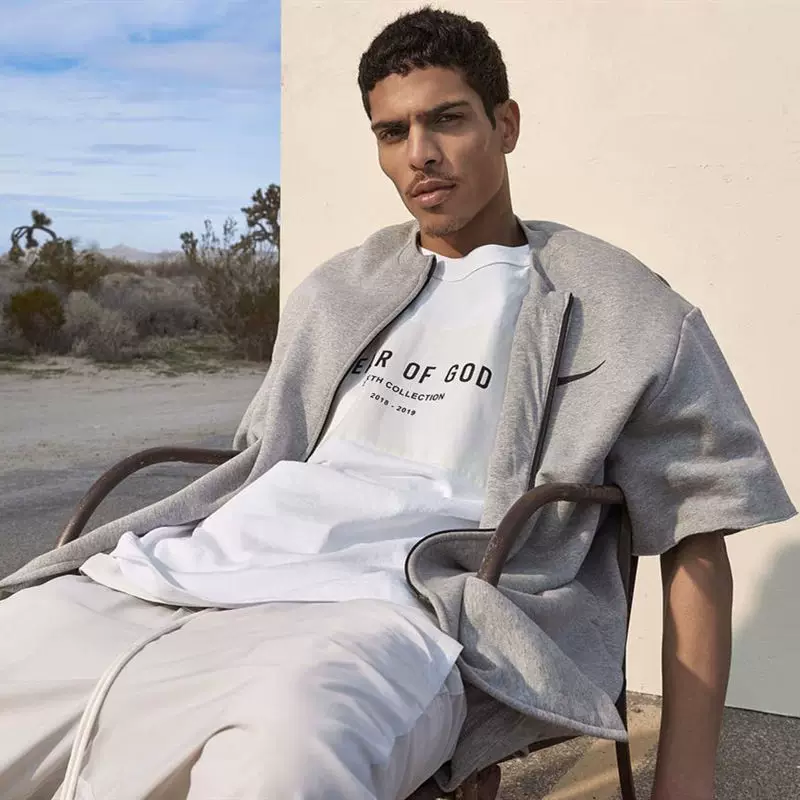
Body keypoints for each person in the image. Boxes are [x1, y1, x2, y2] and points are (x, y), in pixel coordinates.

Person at [0, 7, 795, 800]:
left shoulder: (622, 306)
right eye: (392, 132)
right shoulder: (337, 291)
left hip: (397, 608)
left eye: (446, 119)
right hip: (189, 567)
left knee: (284, 759)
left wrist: (685, 783)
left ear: (505, 124)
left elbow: (697, 533)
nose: (420, 154)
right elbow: (259, 455)